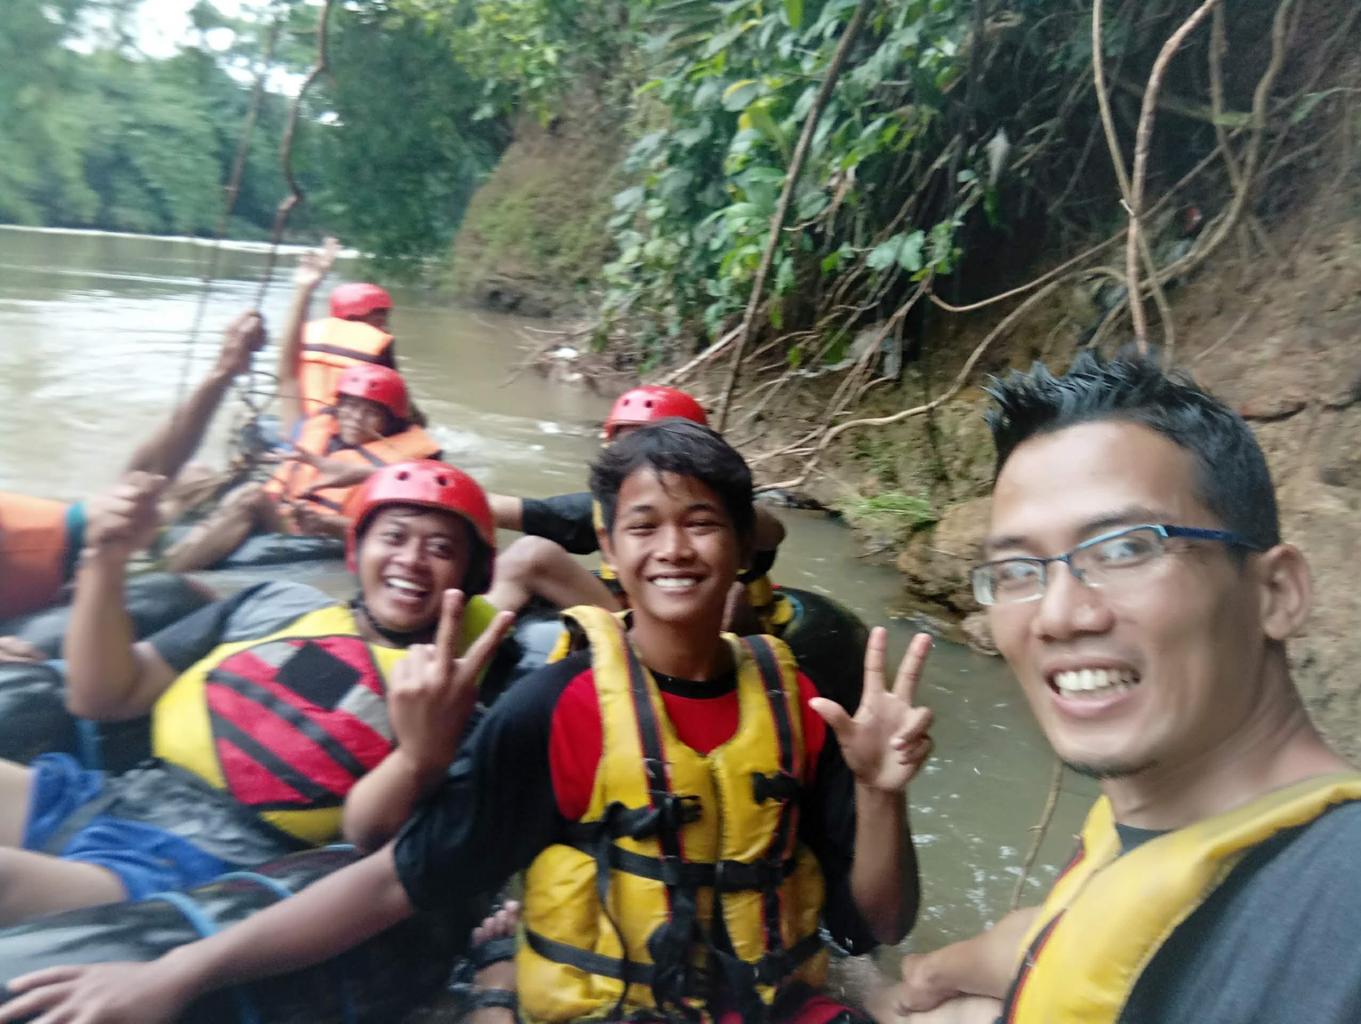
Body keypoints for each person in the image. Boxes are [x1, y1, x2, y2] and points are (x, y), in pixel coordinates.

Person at [0, 420, 935, 1024]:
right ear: (607, 549)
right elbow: (390, 882)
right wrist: (178, 973)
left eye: (701, 523)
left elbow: (877, 920)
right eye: (644, 526)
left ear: (738, 545)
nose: (673, 548)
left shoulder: (802, 713)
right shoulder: (555, 709)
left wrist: (882, 795)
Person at [871, 350, 1361, 1024]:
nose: (1060, 615)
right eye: (1017, 570)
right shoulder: (1146, 829)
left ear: (1275, 593)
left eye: (1126, 549)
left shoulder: (1340, 902)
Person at [0, 459, 512, 927]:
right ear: (358, 549)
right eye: (394, 537)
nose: (412, 560)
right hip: (113, 794)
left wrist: (420, 758)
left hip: (200, 866)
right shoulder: (274, 604)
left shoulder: (450, 694)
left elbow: (366, 835)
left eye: (440, 549)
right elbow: (104, 697)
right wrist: (105, 565)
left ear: (468, 579)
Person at [0, 311, 266, 641]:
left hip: (53, 591)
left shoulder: (30, 533)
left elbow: (142, 480)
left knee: (169, 589)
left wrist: (221, 374)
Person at [486, 385, 788, 630]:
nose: (644, 466)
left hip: (705, 624)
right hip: (632, 619)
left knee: (733, 596)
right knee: (529, 555)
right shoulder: (603, 509)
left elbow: (771, 531)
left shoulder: (735, 516)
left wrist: (716, 509)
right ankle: (460, 655)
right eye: (627, 452)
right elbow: (502, 508)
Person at [161, 363, 440, 572]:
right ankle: (146, 538)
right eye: (350, 407)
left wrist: (329, 522)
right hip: (285, 511)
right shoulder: (321, 430)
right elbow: (289, 380)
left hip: (313, 539)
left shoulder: (407, 470)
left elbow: (388, 533)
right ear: (338, 407)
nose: (355, 418)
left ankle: (166, 570)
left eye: (371, 412)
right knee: (192, 472)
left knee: (251, 496)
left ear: (390, 423)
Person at [274, 238, 412, 421]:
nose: (384, 328)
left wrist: (304, 289)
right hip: (343, 432)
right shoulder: (377, 344)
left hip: (304, 426)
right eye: (379, 321)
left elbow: (286, 375)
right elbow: (399, 403)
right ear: (353, 318)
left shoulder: (306, 333)